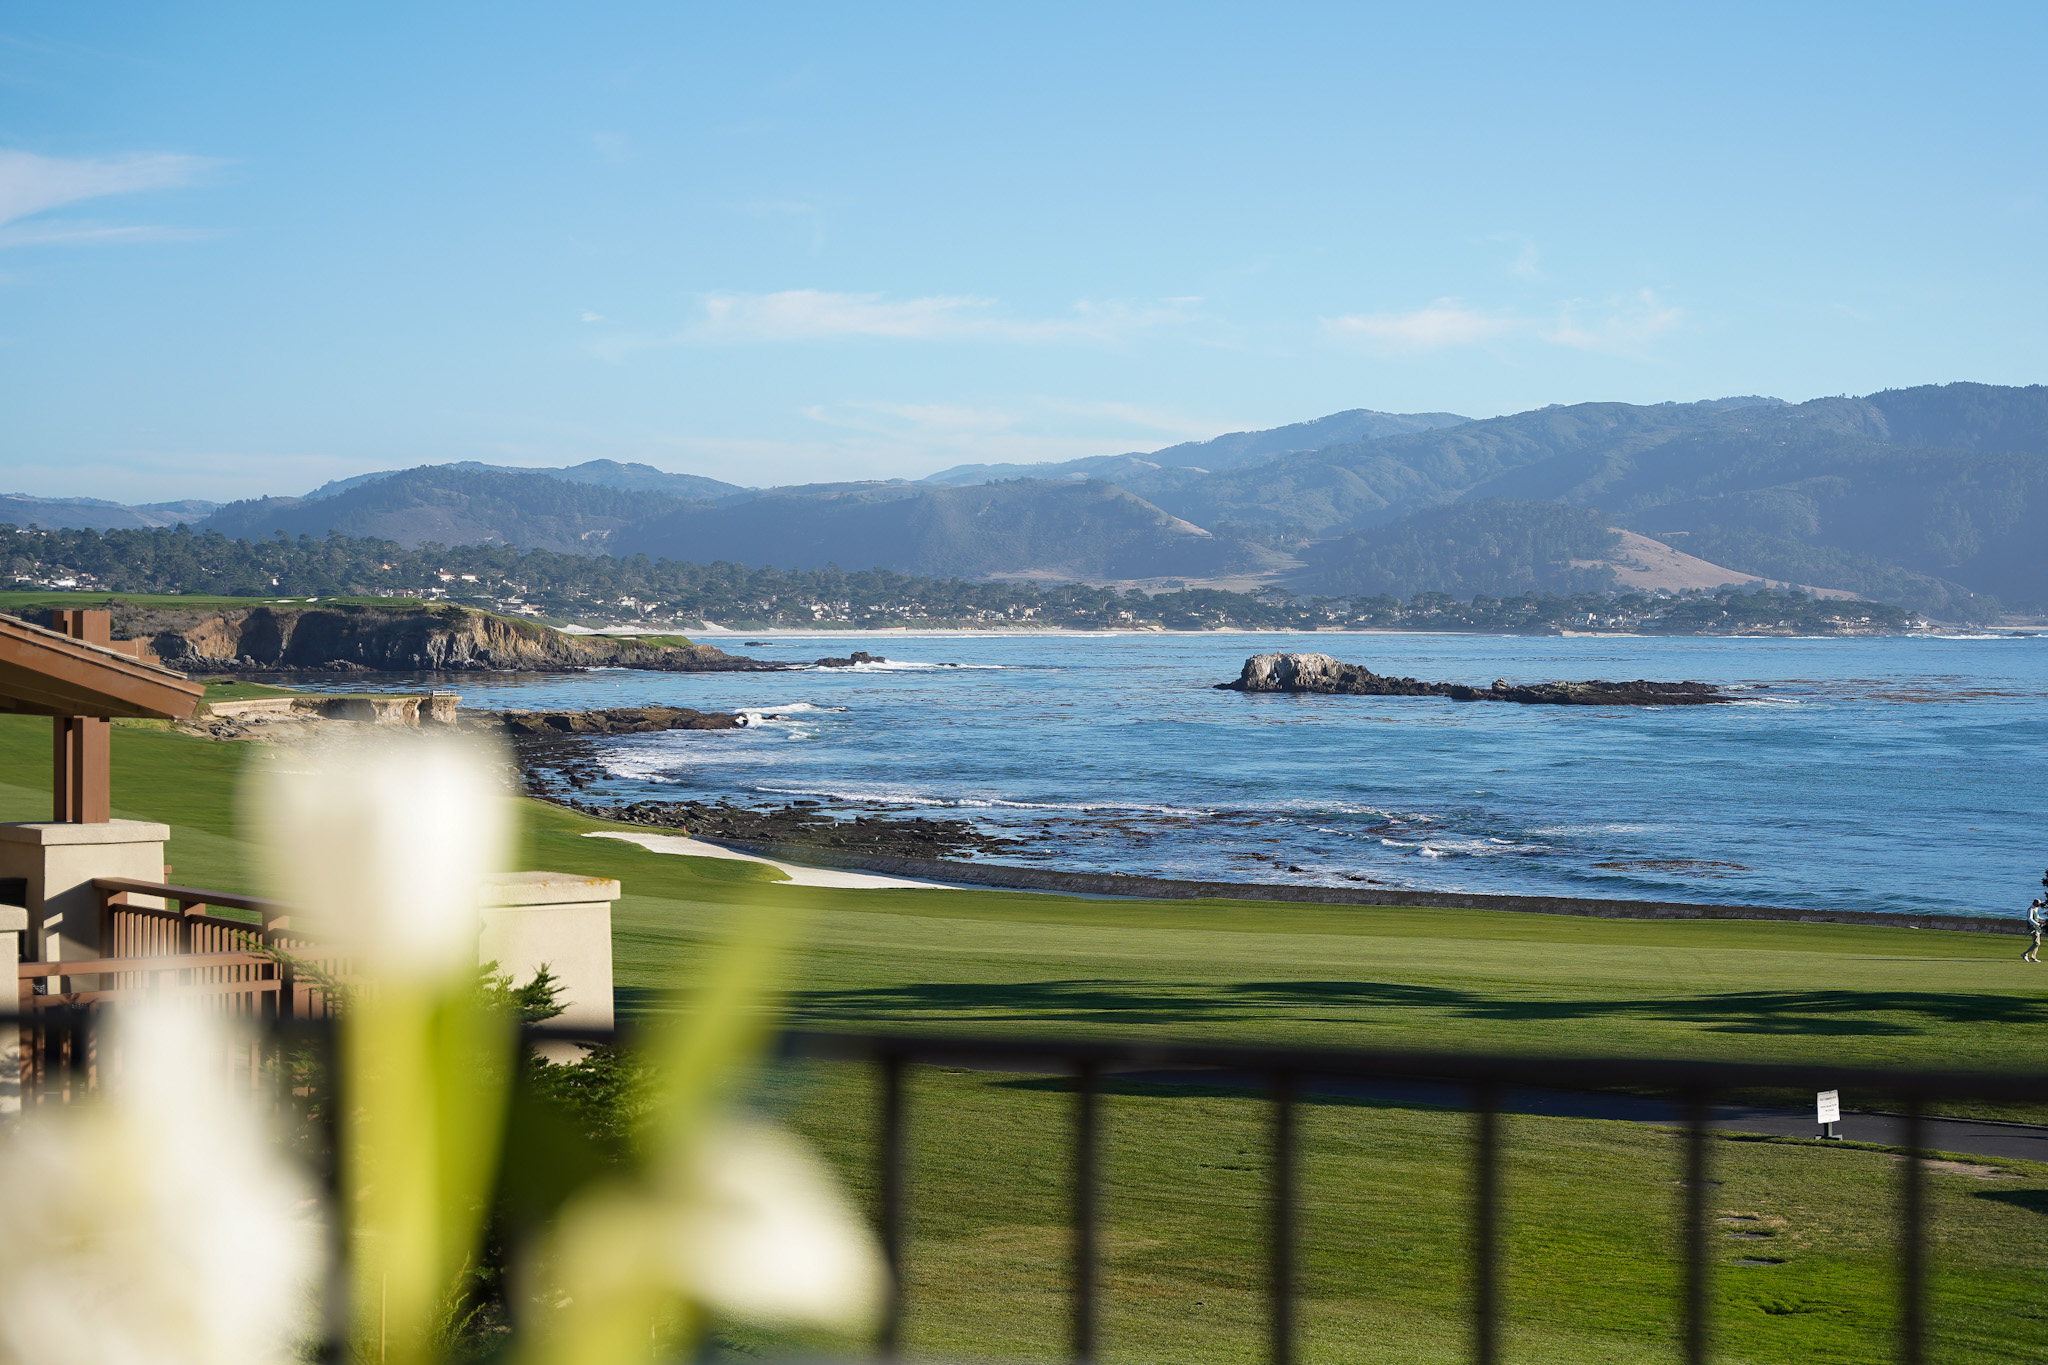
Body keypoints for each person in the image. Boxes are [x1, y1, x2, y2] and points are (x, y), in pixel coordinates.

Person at [2026, 898, 2046, 964]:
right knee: (2037, 943)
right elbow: (2030, 919)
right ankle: (2025, 953)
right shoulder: (2030, 909)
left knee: (2037, 943)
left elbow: (2037, 917)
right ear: (2034, 903)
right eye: (2038, 904)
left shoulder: (2036, 909)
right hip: (2033, 927)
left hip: (2037, 928)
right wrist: (2037, 924)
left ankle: (2033, 957)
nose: (2039, 905)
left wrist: (2045, 920)